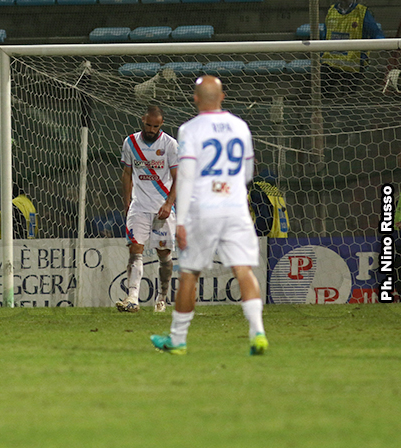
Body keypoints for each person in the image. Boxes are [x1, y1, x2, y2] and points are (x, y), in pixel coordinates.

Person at [150, 76, 267, 355]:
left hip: (203, 209)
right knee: (243, 269)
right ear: (222, 97)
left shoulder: (190, 129)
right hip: (235, 207)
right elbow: (247, 172)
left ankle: (178, 340)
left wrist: (180, 221)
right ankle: (258, 333)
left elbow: (186, 175)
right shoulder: (240, 126)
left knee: (190, 273)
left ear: (195, 98)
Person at [116, 105, 177, 314]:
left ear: (161, 124)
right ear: (143, 120)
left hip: (161, 208)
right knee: (135, 249)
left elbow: (178, 178)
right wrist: (127, 203)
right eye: (148, 125)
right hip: (139, 206)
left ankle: (162, 298)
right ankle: (132, 298)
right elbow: (127, 173)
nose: (151, 130)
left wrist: (168, 204)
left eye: (155, 126)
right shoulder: (130, 142)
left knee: (164, 254)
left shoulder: (170, 144)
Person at [322, 0, 384, 95]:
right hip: (330, 64)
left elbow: (376, 34)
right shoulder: (331, 11)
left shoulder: (362, 12)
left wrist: (384, 44)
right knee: (321, 91)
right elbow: (324, 36)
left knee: (350, 97)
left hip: (353, 65)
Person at [250, 170, 289, 238]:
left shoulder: (257, 188)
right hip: (281, 236)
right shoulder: (274, 190)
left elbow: (264, 219)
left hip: (265, 239)